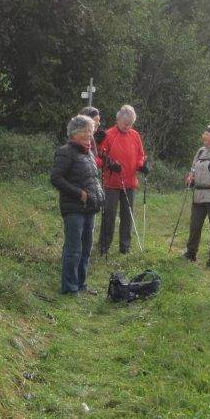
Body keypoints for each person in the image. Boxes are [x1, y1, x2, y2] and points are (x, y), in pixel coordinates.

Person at [50, 114, 105, 295]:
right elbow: (56, 178)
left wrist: (98, 195)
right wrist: (79, 193)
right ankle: (70, 287)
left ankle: (81, 284)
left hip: (89, 207)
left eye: (91, 132)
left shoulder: (88, 152)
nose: (90, 136)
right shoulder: (65, 152)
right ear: (75, 133)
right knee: (74, 249)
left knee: (86, 248)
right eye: (87, 133)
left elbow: (92, 178)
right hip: (74, 208)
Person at [97, 104, 148, 255]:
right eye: (126, 123)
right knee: (109, 214)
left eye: (131, 124)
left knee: (128, 215)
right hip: (112, 183)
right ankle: (104, 246)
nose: (128, 126)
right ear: (118, 119)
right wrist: (109, 164)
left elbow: (141, 156)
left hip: (130, 182)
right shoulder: (108, 135)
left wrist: (142, 166)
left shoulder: (135, 135)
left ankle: (125, 246)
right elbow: (99, 158)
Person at [183, 124, 210, 267]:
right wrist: (190, 177)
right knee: (195, 225)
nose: (203, 136)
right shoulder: (200, 151)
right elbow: (193, 168)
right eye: (204, 134)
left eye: (206, 134)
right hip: (198, 193)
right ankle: (191, 252)